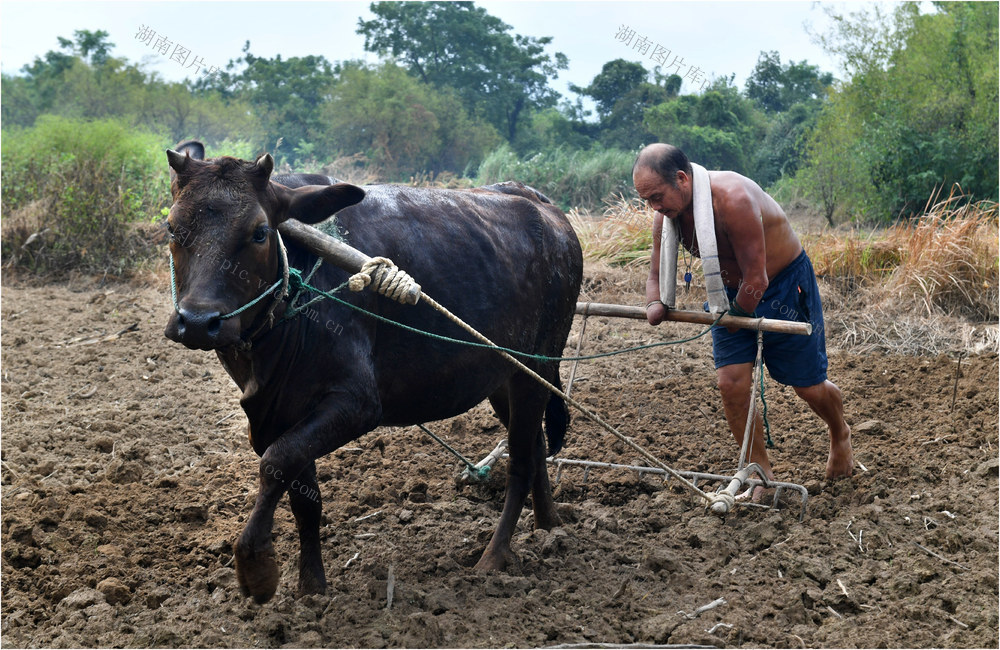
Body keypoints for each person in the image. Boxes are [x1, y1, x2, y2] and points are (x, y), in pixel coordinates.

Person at [633, 143, 853, 497]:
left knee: (808, 386)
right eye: (648, 201)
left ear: (681, 179)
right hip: (725, 294)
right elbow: (656, 273)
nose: (654, 208)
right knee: (730, 384)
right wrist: (655, 304)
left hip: (781, 288)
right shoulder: (668, 213)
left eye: (657, 197)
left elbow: (757, 278)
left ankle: (839, 431)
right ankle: (758, 469)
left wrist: (733, 319)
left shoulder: (732, 199)